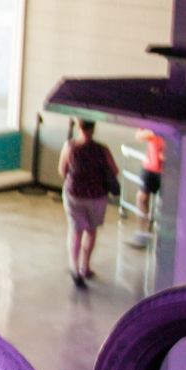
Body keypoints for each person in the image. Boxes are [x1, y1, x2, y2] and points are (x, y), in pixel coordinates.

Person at [58, 119, 116, 287]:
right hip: (97, 196)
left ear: (78, 127)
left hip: (74, 194)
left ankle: (74, 267)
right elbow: (114, 170)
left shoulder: (70, 147)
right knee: (91, 231)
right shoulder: (102, 149)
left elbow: (62, 171)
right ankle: (85, 266)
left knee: (76, 231)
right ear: (93, 128)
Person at [136, 127, 166, 231]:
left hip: (169, 170)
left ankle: (162, 233)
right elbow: (139, 135)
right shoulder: (152, 120)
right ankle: (143, 230)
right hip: (150, 167)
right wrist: (154, 131)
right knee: (142, 198)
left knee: (166, 204)